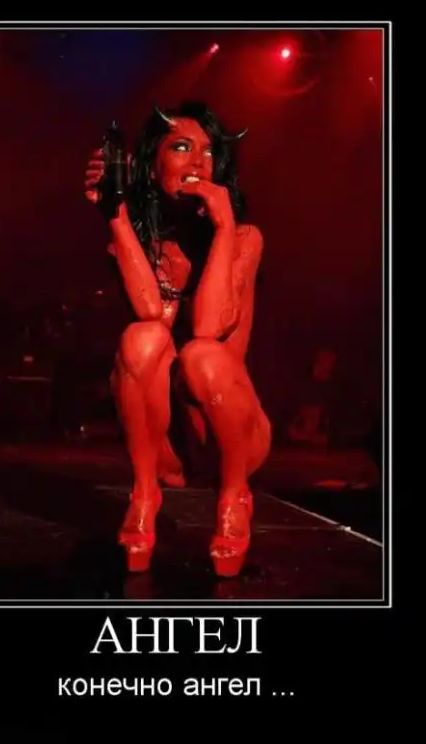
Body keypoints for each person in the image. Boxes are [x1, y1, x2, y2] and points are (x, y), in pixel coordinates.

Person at [84, 101, 272, 577]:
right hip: (166, 443)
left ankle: (234, 495)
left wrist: (224, 228)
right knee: (141, 338)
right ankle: (144, 492)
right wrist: (115, 215)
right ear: (151, 165)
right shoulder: (132, 244)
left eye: (209, 153)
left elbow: (208, 327)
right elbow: (150, 311)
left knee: (202, 355)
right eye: (182, 148)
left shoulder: (245, 239)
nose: (198, 163)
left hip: (228, 436)